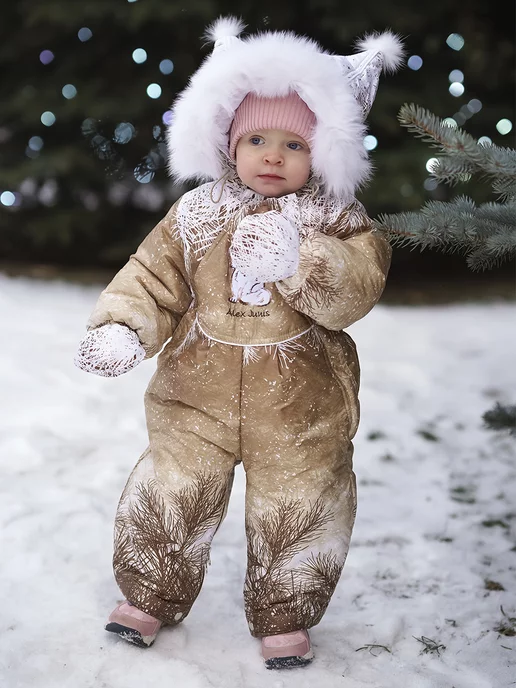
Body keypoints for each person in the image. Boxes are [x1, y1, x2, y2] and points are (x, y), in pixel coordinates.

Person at [75, 16, 403, 670]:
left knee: (303, 502)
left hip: (302, 409)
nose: (273, 156)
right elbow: (153, 276)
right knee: (171, 488)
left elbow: (360, 284)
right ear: (227, 140)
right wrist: (124, 327)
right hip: (195, 400)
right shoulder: (197, 213)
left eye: (294, 143)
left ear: (325, 151)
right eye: (257, 138)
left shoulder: (335, 218)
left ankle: (287, 610)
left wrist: (304, 261)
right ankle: (150, 590)